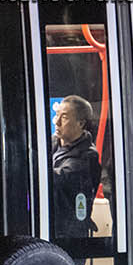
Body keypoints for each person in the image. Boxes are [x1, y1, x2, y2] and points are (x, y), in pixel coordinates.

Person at [50, 95, 101, 239]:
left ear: (81, 123)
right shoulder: (52, 143)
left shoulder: (87, 156)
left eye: (64, 117)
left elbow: (59, 178)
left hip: (69, 236)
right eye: (57, 115)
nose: (57, 122)